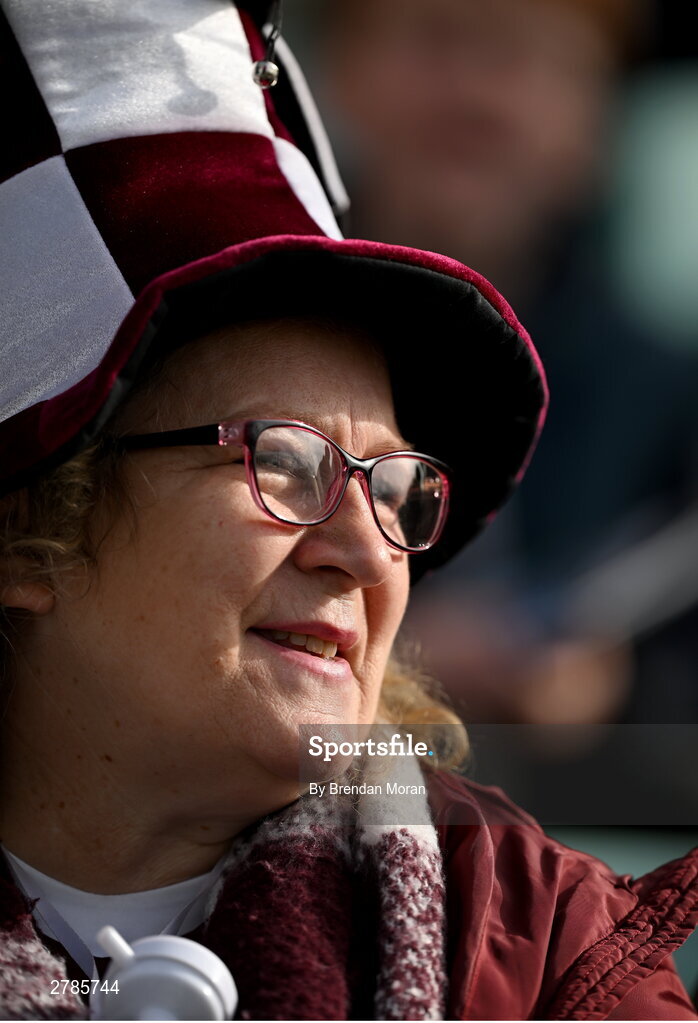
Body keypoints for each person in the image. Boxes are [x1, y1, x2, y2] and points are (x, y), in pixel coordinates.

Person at [0, 1, 696, 1020]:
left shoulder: (550, 957)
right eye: (282, 462)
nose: (367, 554)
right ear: (28, 536)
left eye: (395, 488)